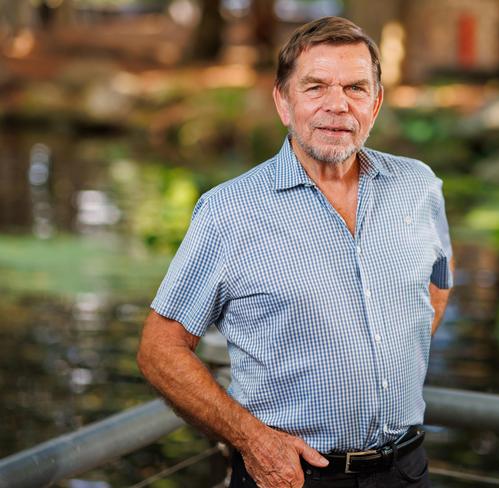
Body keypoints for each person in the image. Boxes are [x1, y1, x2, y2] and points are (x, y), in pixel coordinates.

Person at [137, 16, 453, 488]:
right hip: (289, 476)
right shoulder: (230, 211)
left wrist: (377, 360)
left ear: (377, 102)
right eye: (315, 87)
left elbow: (437, 288)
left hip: (407, 471)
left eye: (355, 88)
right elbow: (159, 349)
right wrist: (251, 439)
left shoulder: (418, 186)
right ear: (283, 102)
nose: (337, 105)